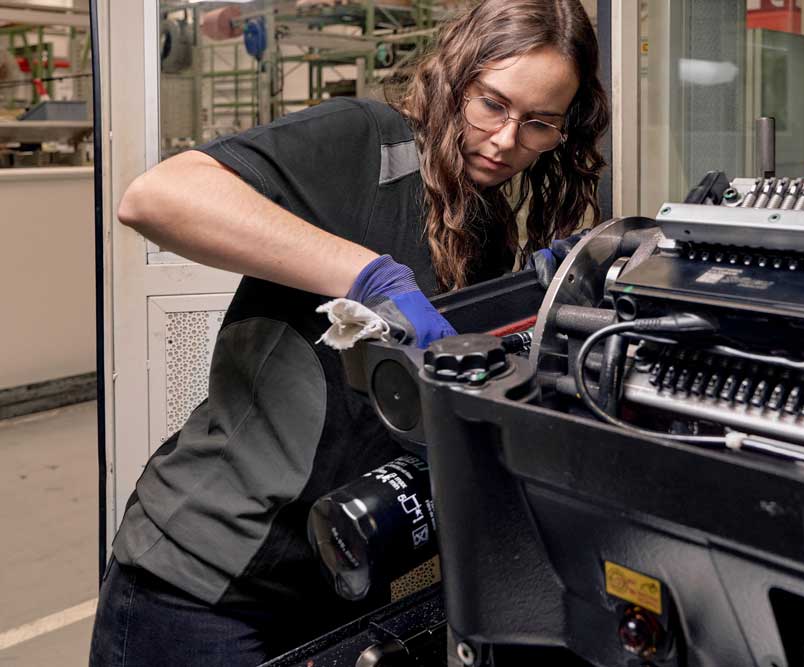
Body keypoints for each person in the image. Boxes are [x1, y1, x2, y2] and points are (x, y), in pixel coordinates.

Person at [89, 0, 608, 664]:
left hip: (338, 577)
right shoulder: (367, 141)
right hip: (204, 583)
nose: (507, 140)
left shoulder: (484, 221)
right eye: (492, 104)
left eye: (538, 123)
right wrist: (367, 274)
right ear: (455, 78)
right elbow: (155, 197)